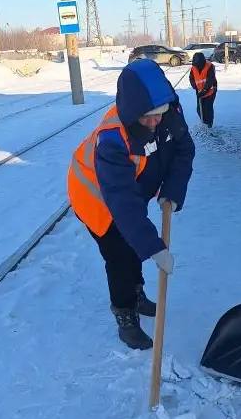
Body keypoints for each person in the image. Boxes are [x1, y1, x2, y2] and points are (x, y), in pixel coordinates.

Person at [68, 59, 195, 350]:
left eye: (159, 114)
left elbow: (183, 151)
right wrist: (154, 247)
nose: (155, 122)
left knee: (132, 248)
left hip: (129, 193)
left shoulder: (169, 113)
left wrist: (172, 192)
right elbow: (123, 205)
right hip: (96, 199)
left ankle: (136, 294)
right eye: (147, 117)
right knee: (120, 255)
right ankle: (125, 312)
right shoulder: (112, 139)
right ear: (131, 111)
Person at [189, 51, 217, 127]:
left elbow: (210, 80)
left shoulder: (210, 66)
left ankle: (209, 124)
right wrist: (195, 86)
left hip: (210, 91)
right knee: (199, 109)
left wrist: (204, 91)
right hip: (199, 91)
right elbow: (191, 78)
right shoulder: (193, 67)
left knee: (208, 109)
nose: (196, 66)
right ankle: (204, 122)